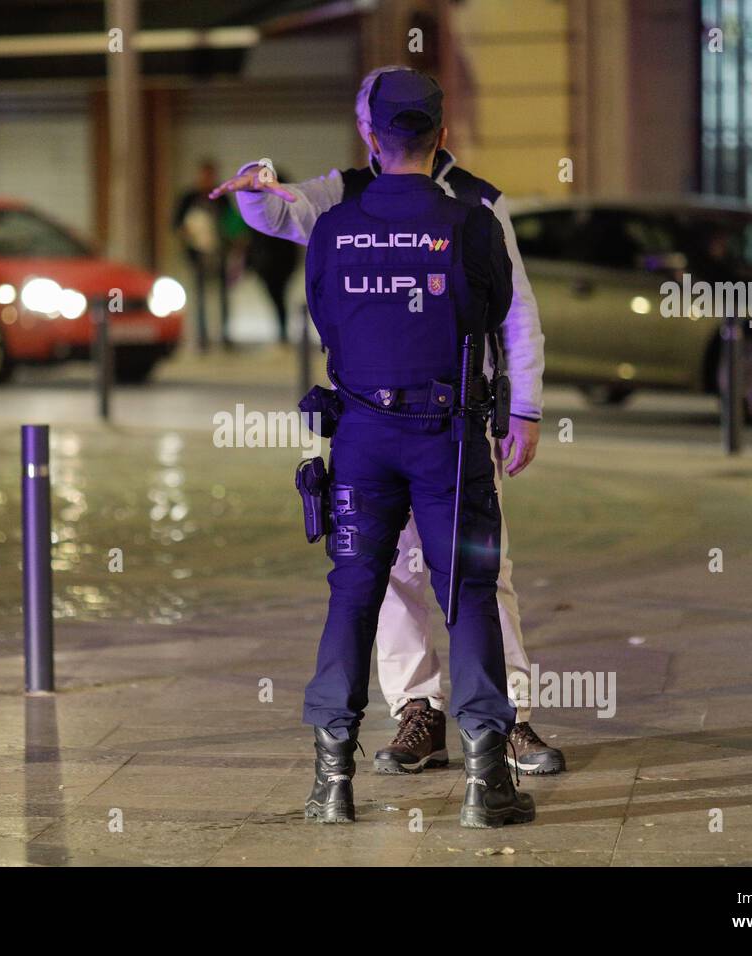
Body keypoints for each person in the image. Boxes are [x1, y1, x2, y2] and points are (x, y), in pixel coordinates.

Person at [211, 66, 563, 777]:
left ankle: (511, 718)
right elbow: (282, 211)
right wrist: (258, 184)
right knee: (404, 572)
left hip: (456, 417)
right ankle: (419, 711)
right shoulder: (345, 196)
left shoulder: (476, 206)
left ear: (380, 128)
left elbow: (517, 314)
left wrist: (522, 406)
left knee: (481, 574)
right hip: (380, 421)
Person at [293, 69, 534, 827]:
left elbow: (325, 320)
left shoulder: (334, 227)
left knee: (354, 590)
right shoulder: (472, 223)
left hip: (361, 436)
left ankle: (333, 778)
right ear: (441, 133)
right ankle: (485, 777)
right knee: (468, 593)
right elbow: (496, 315)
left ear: (371, 137)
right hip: (449, 440)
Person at [173, 160, 231, 349]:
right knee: (199, 295)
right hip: (196, 253)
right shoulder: (189, 197)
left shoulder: (221, 197)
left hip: (219, 252)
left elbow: (232, 222)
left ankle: (224, 336)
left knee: (222, 295)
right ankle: (202, 338)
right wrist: (190, 233)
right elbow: (176, 224)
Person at [246, 167, 301, 343]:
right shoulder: (260, 207)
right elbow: (253, 238)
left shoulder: (286, 207)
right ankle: (282, 333)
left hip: (280, 262)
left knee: (278, 297)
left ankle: (282, 334)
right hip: (266, 263)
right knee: (276, 297)